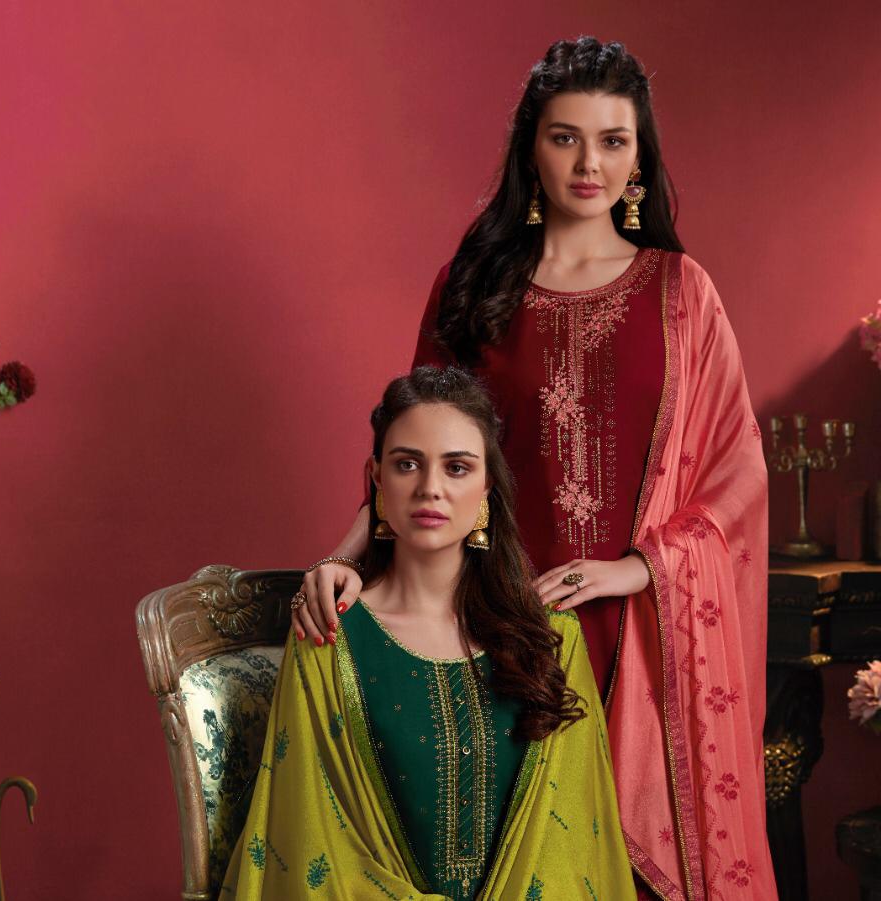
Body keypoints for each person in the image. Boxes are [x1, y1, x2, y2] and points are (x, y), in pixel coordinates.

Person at [294, 37, 772, 899]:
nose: (589, 164)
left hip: (643, 635)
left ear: (639, 159)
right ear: (531, 149)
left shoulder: (682, 294)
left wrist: (640, 568)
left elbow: (737, 474)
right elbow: (414, 458)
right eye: (565, 138)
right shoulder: (471, 286)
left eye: (613, 141)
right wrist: (341, 558)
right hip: (500, 627)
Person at [219, 366, 634, 900]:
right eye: (407, 464)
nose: (430, 488)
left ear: (487, 487)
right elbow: (312, 847)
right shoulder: (328, 636)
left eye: (457, 468)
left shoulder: (550, 639)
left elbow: (575, 849)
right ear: (376, 478)